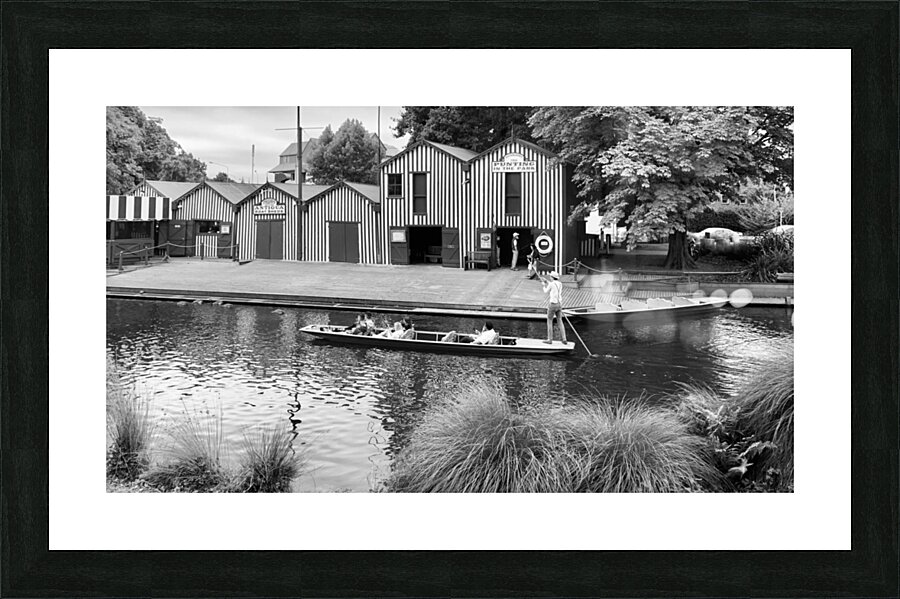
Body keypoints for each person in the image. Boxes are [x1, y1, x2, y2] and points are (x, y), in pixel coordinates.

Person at [540, 271, 567, 344]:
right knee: (560, 321)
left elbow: (546, 291)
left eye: (550, 276)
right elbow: (553, 285)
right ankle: (564, 339)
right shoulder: (560, 284)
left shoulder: (551, 284)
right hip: (559, 304)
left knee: (549, 321)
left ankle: (550, 339)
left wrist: (543, 285)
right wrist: (546, 281)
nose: (550, 277)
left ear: (552, 277)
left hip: (552, 305)